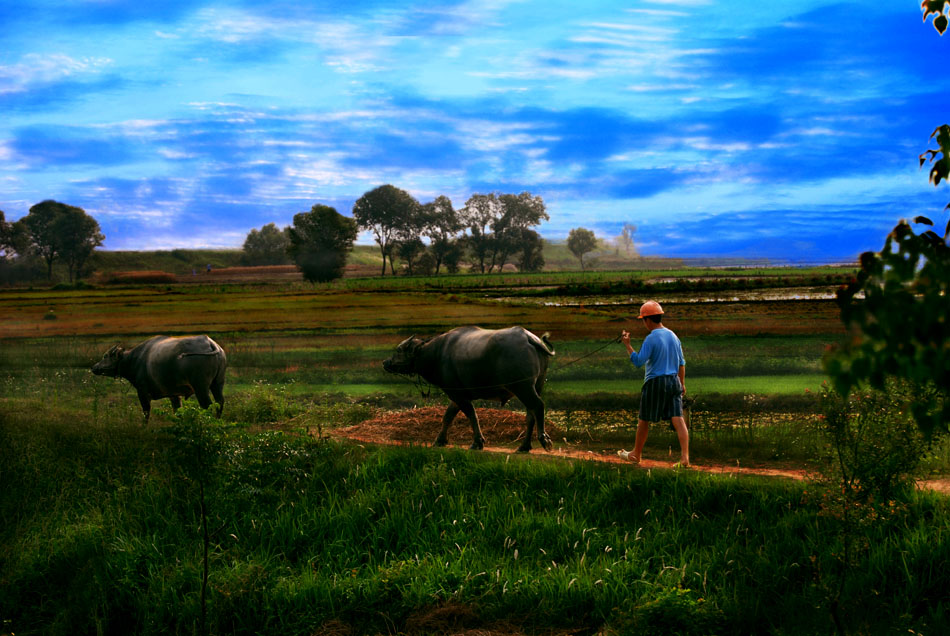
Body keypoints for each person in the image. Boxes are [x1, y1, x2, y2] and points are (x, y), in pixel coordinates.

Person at [617, 300, 690, 467]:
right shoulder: (673, 335)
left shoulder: (650, 338)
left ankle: (636, 453)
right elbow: (681, 363)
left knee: (644, 420)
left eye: (643, 320)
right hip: (674, 381)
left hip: (655, 382)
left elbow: (638, 361)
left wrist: (627, 345)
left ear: (647, 320)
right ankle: (685, 458)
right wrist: (682, 384)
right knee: (678, 419)